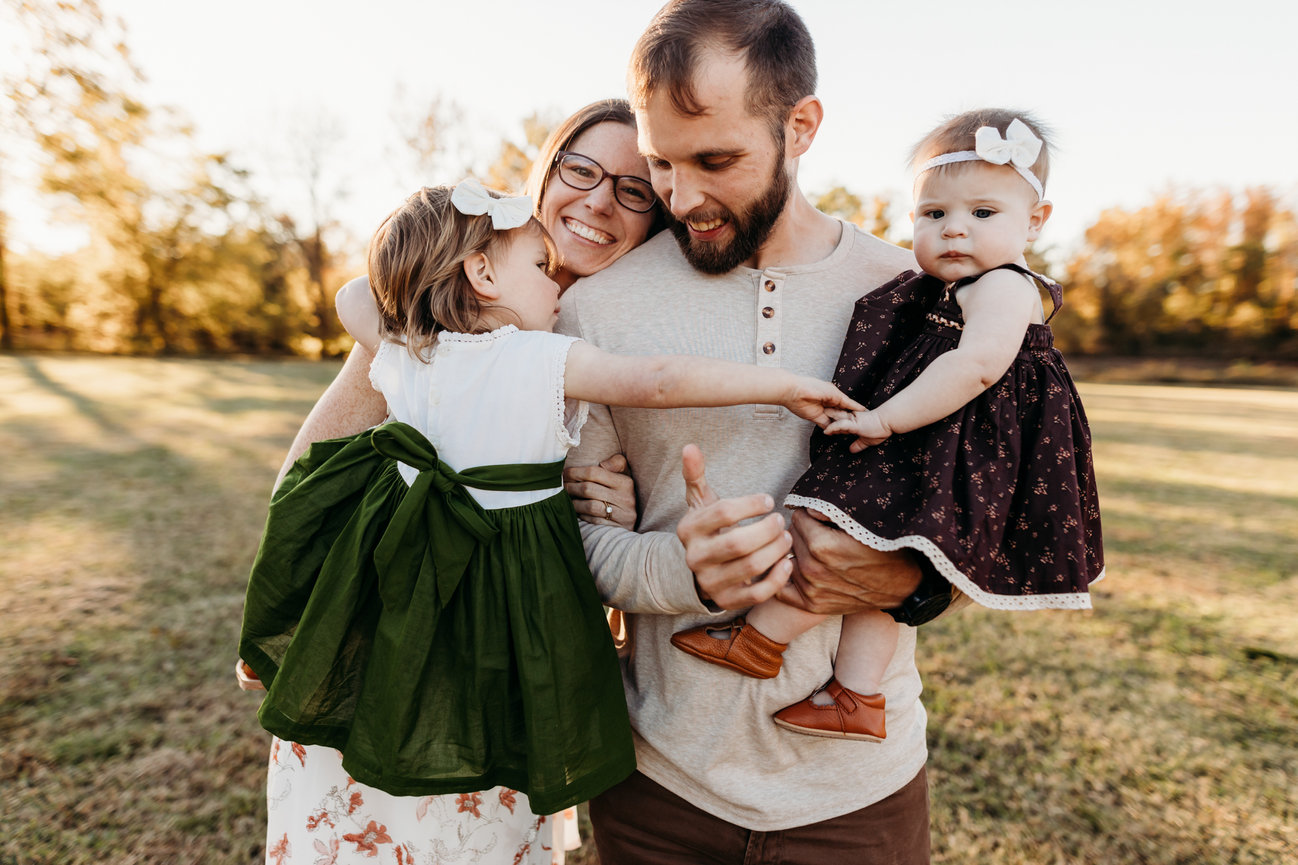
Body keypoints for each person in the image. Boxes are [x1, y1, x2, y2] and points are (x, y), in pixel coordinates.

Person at [241, 178, 860, 853]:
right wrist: (782, 384)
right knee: (500, 715)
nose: (554, 283)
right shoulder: (537, 357)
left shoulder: (408, 349)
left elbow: (352, 296)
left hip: (404, 578)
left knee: (402, 688)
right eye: (540, 266)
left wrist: (415, 295)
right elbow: (656, 381)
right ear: (482, 275)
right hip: (505, 587)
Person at [556, 1, 942, 860]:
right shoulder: (594, 309)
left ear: (800, 126)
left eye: (716, 160)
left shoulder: (915, 296)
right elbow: (570, 544)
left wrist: (915, 580)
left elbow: (984, 516)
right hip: (658, 787)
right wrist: (679, 570)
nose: (682, 196)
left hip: (860, 796)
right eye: (660, 162)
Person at [240, 100, 667, 865]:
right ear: (544, 178)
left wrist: (607, 510)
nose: (601, 200)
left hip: (515, 655)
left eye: (634, 189)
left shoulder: (629, 332)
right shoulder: (440, 309)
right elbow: (316, 470)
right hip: (396, 641)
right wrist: (293, 611)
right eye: (581, 170)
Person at [670, 109, 1105, 743]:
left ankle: (763, 639)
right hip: (939, 439)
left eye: (983, 213)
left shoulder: (1006, 287)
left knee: (844, 527)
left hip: (956, 447)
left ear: (1035, 222)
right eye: (934, 213)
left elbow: (977, 367)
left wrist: (884, 418)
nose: (954, 229)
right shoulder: (946, 287)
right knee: (880, 553)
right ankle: (855, 694)